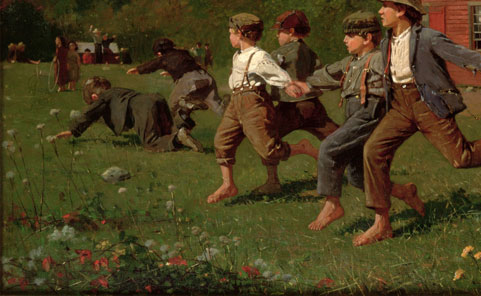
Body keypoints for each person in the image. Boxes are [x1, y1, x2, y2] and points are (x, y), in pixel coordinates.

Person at [357, 0, 481, 246]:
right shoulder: (386, 42)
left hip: (428, 104)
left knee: (461, 159)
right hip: (400, 106)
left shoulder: (427, 37)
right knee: (372, 151)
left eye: (385, 6)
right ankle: (382, 224)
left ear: (401, 10)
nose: (380, 11)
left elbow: (458, 53)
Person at [302, 11, 424, 231]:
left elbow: (402, 77)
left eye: (350, 36)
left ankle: (332, 205)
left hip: (370, 114)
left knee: (329, 147)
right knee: (358, 178)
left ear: (367, 38)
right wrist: (302, 84)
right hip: (355, 116)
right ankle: (405, 192)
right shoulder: (351, 62)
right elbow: (328, 74)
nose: (344, 40)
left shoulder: (378, 58)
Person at [206, 13, 311, 204]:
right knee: (222, 141)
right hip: (236, 103)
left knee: (269, 150)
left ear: (241, 34)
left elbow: (275, 74)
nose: (229, 37)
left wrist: (287, 84)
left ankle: (301, 147)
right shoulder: (237, 55)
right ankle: (228, 185)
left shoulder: (259, 56)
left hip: (254, 103)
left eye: (231, 33)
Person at [254, 10, 340, 195]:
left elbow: (265, 70)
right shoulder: (309, 51)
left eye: (280, 31)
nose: (277, 35)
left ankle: (272, 182)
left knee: (267, 139)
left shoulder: (281, 53)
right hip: (312, 105)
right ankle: (350, 171)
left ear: (291, 31)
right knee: (337, 137)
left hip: (292, 108)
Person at [52, 76, 203, 153]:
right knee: (168, 131)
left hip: (141, 108)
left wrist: (72, 131)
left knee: (151, 143)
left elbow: (89, 114)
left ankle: (179, 138)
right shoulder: (118, 91)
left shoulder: (103, 97)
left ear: (94, 98)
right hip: (155, 99)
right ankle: (184, 114)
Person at [127, 37, 224, 130]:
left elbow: (152, 65)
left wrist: (137, 70)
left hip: (190, 81)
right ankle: (236, 122)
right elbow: (186, 65)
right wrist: (172, 72)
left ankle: (182, 123)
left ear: (159, 52)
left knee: (173, 105)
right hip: (206, 77)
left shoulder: (164, 58)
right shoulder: (183, 53)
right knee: (217, 106)